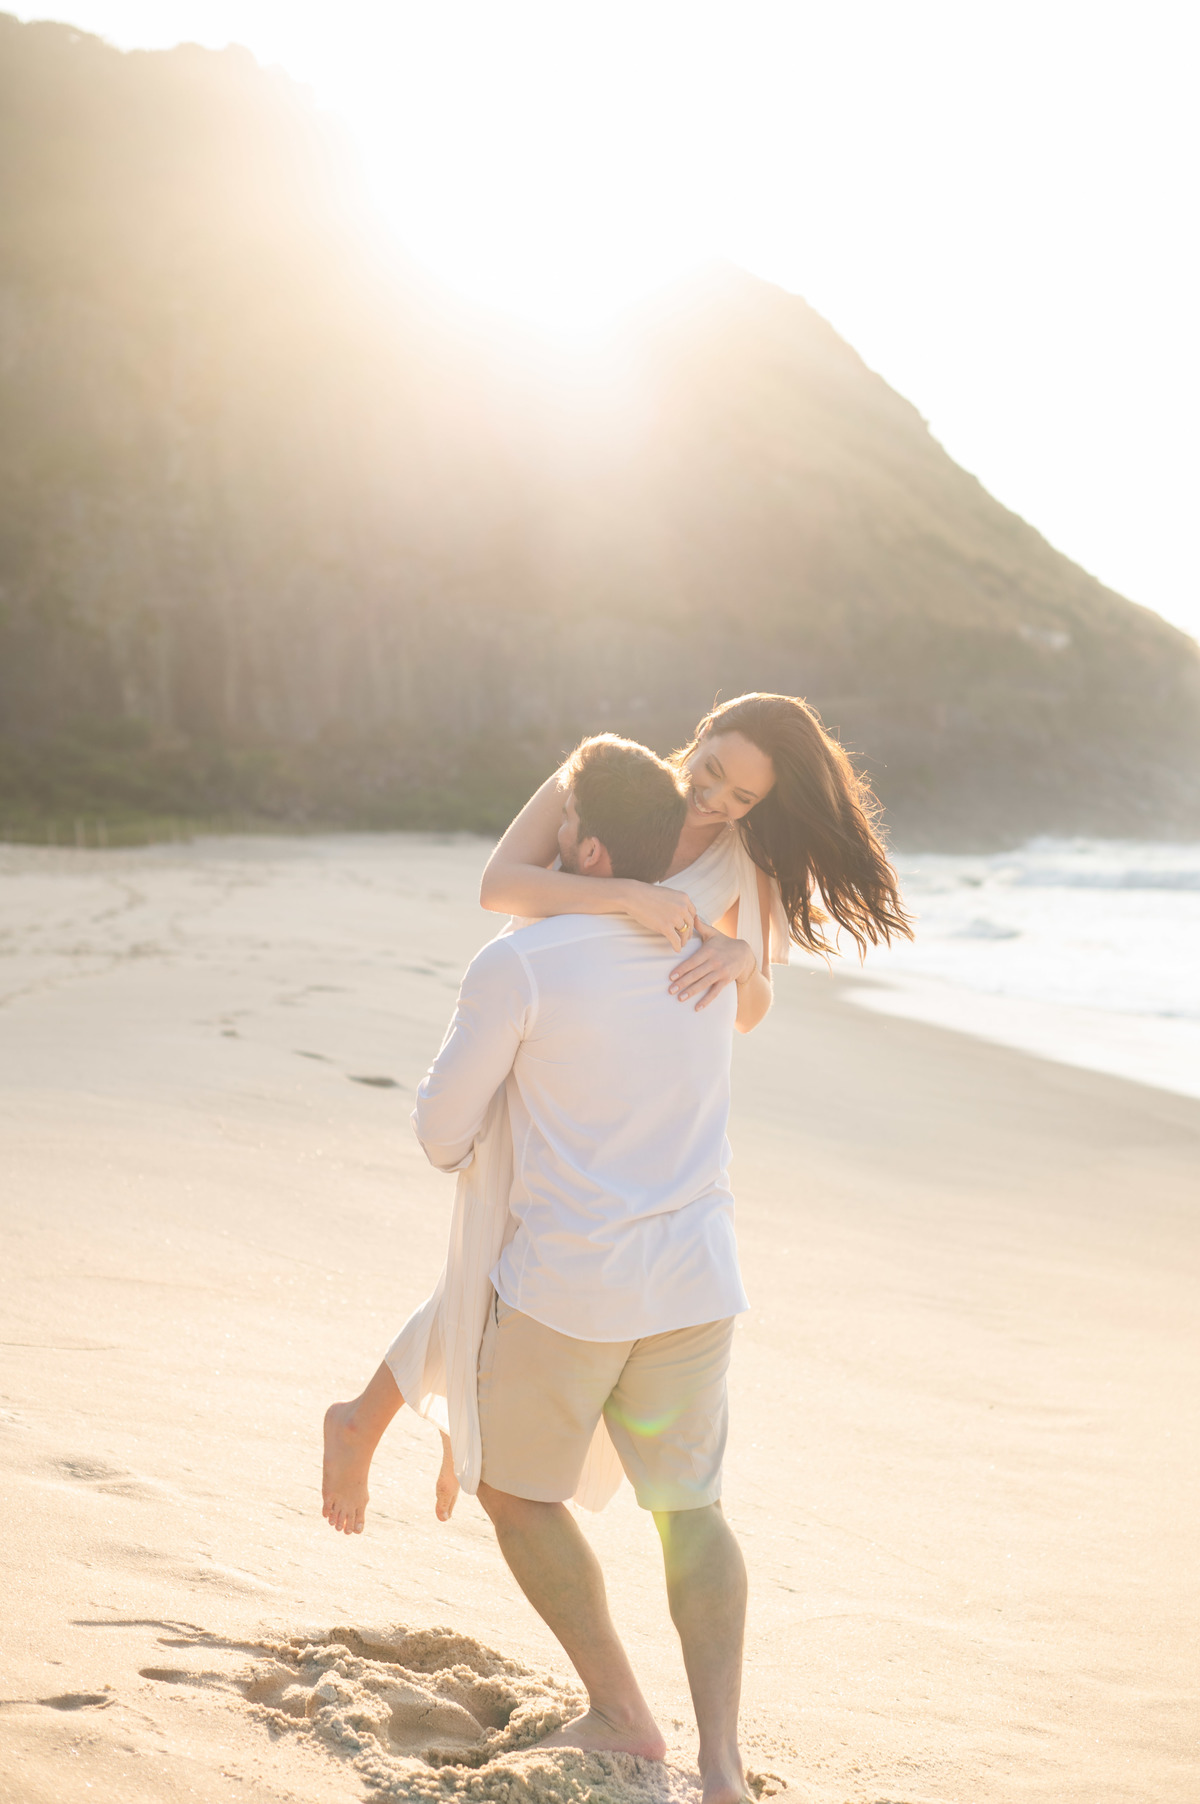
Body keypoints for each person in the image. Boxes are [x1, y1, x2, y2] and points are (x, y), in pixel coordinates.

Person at [322, 693, 910, 1529]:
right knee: (501, 1252)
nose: (714, 801)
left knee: (512, 1262)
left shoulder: (750, 861)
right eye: (711, 773)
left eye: (742, 798)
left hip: (634, 1087)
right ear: (701, 732)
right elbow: (499, 887)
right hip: (540, 1041)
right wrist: (628, 898)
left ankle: (400, 1420)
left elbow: (752, 1009)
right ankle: (400, 1422)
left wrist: (744, 958)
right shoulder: (605, 783)